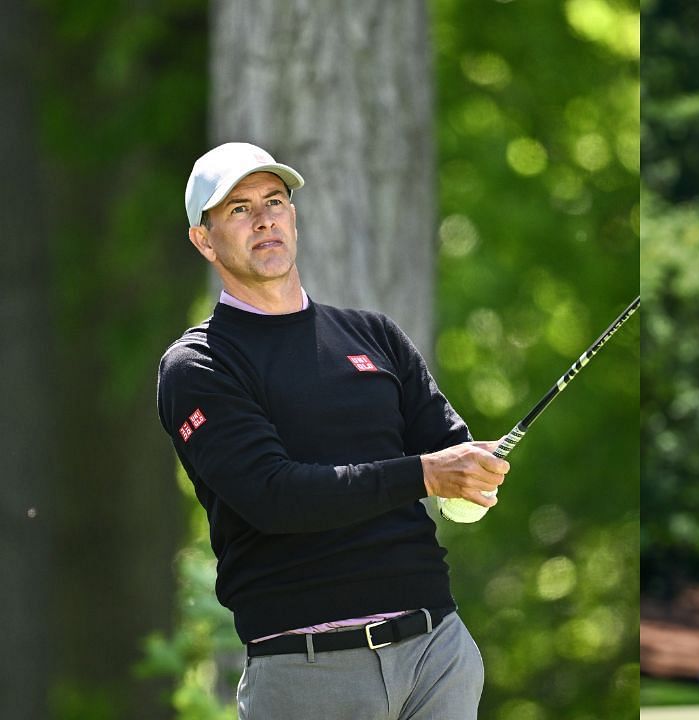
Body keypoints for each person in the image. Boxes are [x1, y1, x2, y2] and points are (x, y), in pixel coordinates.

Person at [157, 142, 509, 720]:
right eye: (239, 209)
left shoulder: (375, 334)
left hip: (436, 654)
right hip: (307, 667)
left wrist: (476, 476)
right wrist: (426, 474)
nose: (265, 217)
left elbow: (449, 461)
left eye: (275, 200)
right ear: (205, 238)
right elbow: (275, 497)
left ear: (293, 216)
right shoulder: (201, 365)